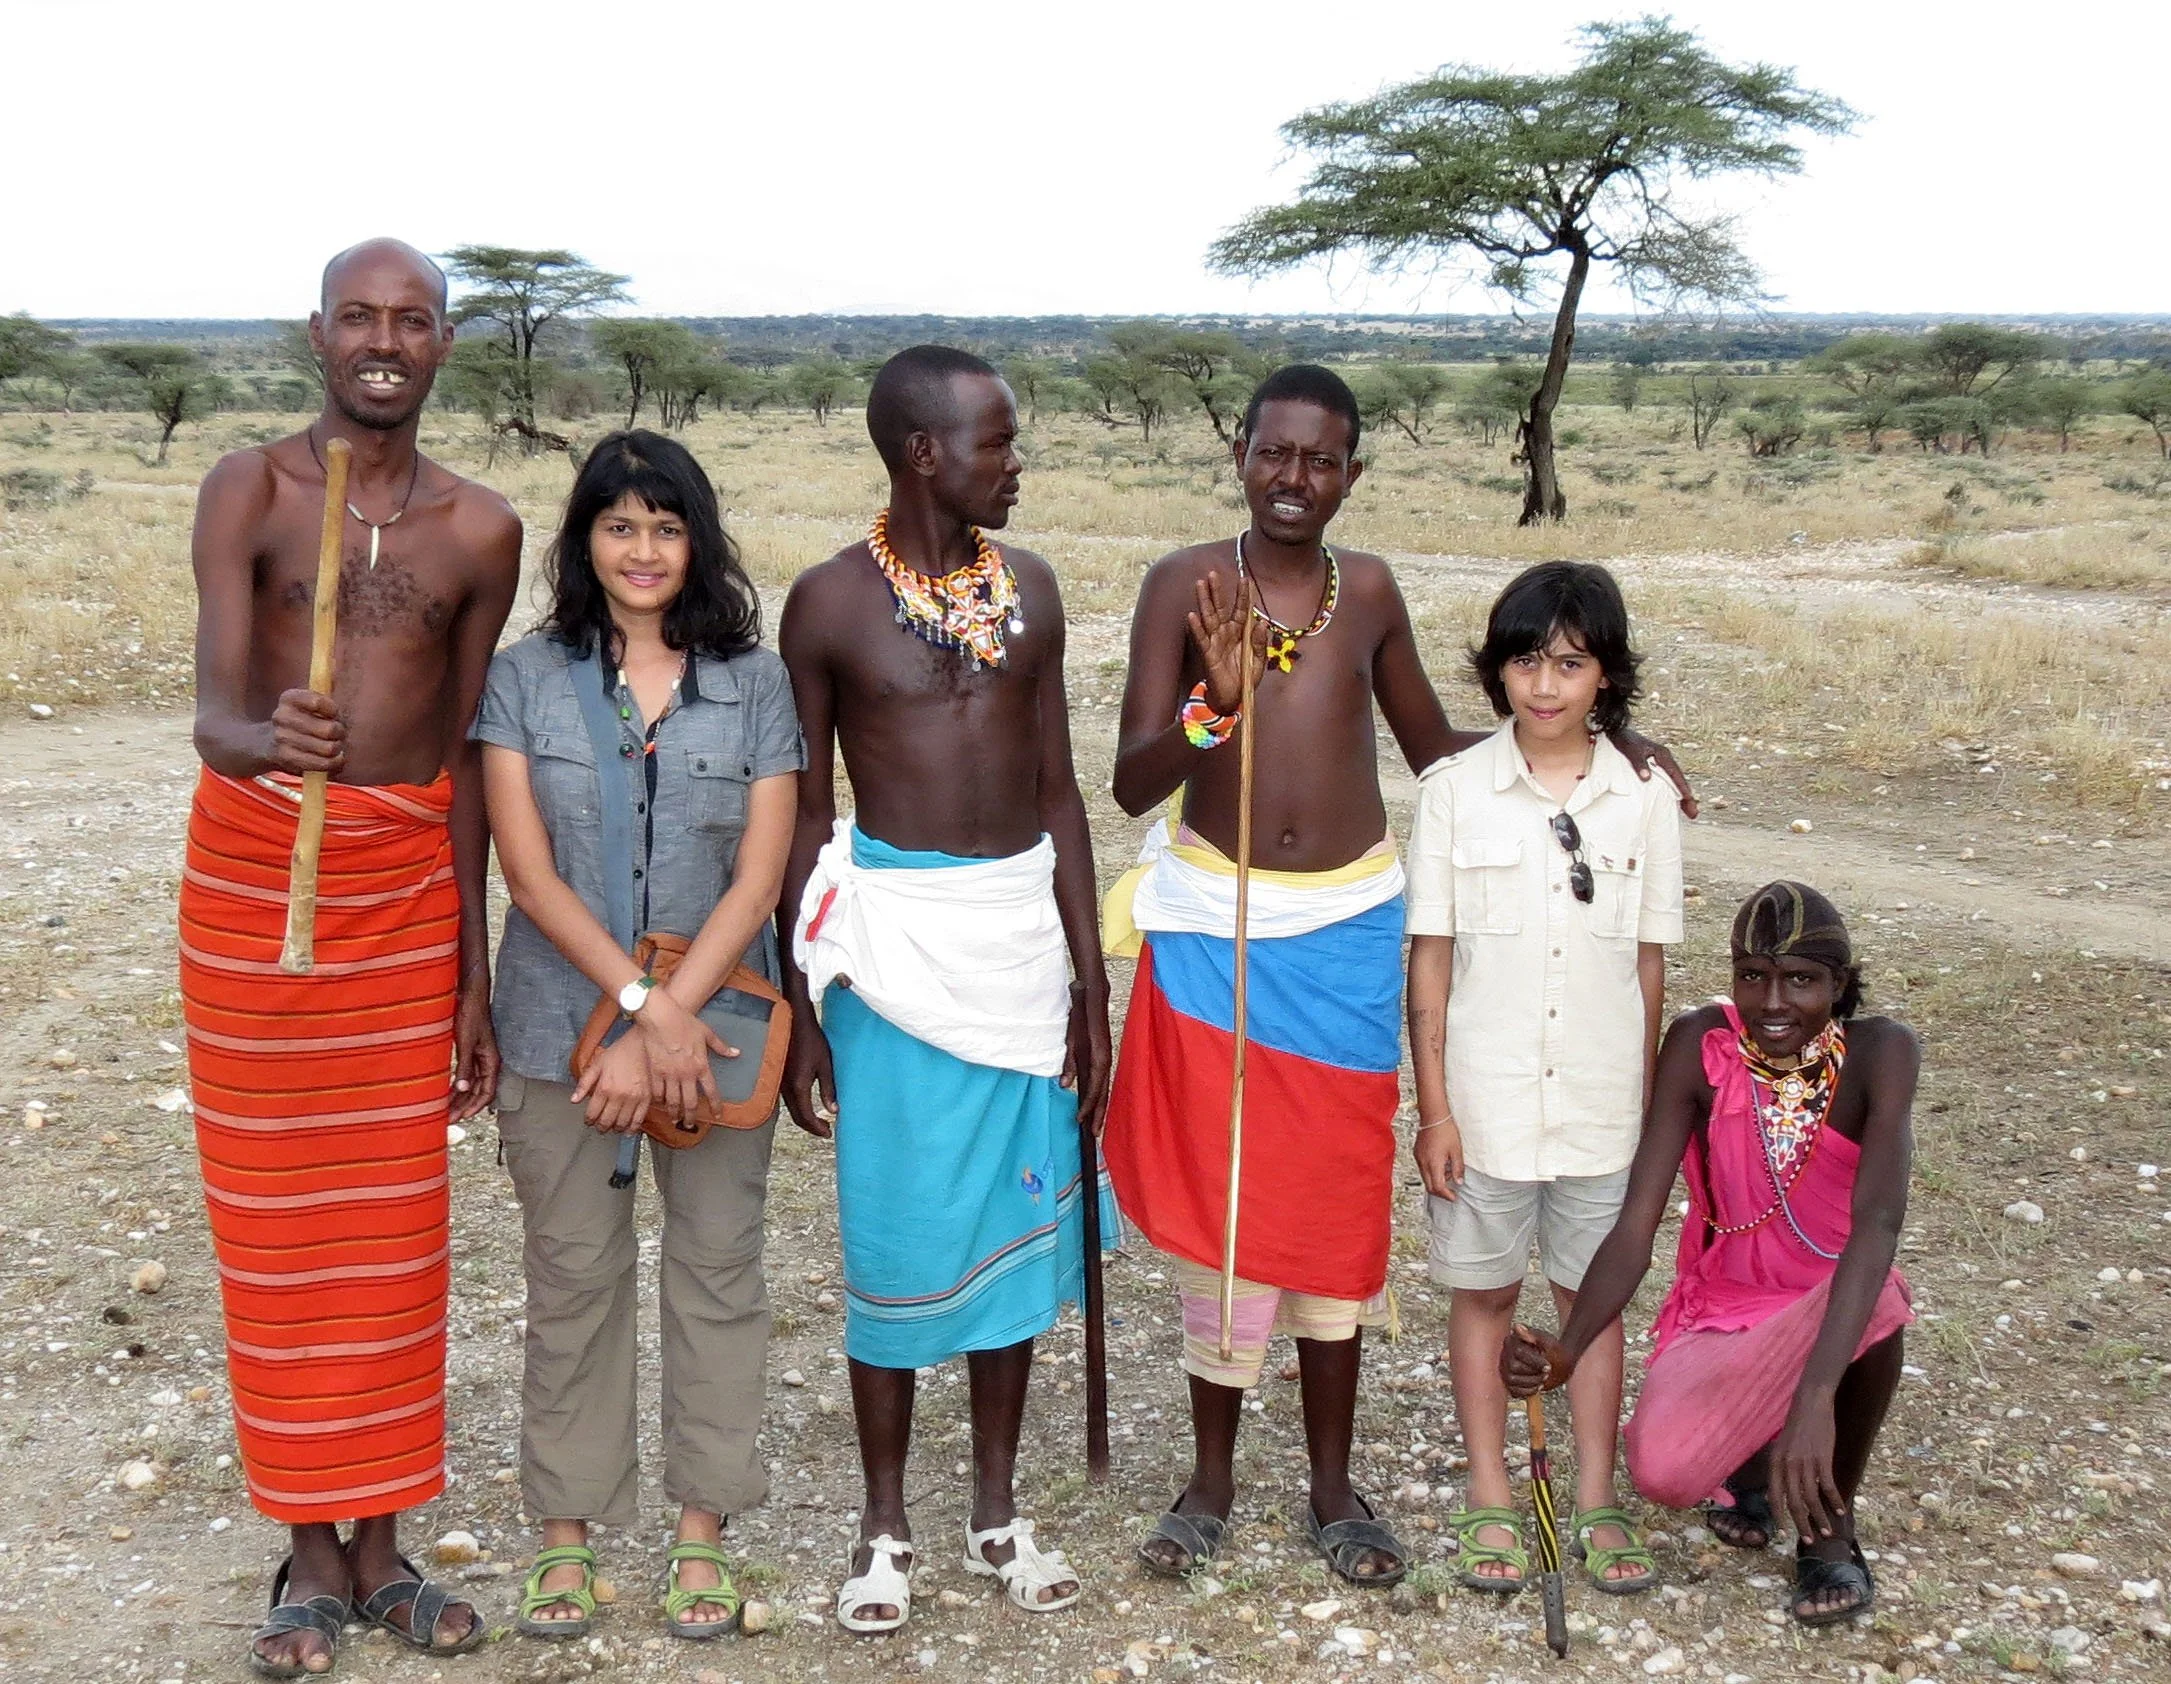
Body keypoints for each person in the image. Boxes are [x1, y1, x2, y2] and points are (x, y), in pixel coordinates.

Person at [1100, 367, 1695, 1590]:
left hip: (1351, 934)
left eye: (1321, 461)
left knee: (1326, 1208)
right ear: (1237, 452)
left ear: (1351, 476)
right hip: (1219, 926)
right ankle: (1209, 1479)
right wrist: (1216, 706)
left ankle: (1330, 1481)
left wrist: (1600, 734)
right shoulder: (1182, 585)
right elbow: (1130, 779)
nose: (1293, 478)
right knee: (1224, 1213)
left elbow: (1440, 750)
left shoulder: (1362, 591)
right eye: (1275, 453)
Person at [183, 238, 520, 1678]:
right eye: (360, 318)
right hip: (259, 882)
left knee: (391, 1241)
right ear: (314, 336)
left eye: (415, 320)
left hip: (397, 899)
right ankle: (307, 1556)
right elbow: (211, 707)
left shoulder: (482, 529)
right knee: (276, 1236)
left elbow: (455, 764)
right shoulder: (250, 490)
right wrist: (270, 738)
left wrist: (469, 977)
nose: (386, 340)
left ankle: (385, 1555)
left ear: (445, 344)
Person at [776, 345, 1115, 1634]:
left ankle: (993, 1505)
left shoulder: (1028, 590)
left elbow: (1058, 793)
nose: (1014, 463)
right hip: (895, 956)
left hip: (1018, 949)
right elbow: (807, 812)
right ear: (925, 454)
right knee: (899, 1234)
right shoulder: (828, 606)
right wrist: (802, 1001)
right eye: (996, 442)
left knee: (1006, 1240)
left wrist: (1091, 981)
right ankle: (881, 1522)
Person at [474, 431, 802, 1640]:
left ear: (696, 540)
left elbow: (758, 876)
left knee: (718, 1276)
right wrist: (631, 1011)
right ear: (585, 542)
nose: (644, 549)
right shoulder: (522, 678)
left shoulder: (754, 683)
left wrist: (668, 1023)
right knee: (573, 1278)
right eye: (619, 526)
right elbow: (528, 869)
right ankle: (566, 1539)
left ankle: (701, 1534)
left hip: (711, 1041)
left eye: (666, 526)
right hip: (563, 1026)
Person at [1502, 882, 1917, 1627]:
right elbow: (1636, 1224)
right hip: (1724, 1309)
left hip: (1832, 1308)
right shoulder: (1701, 1044)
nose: (1772, 1002)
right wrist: (1568, 1347)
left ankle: (1828, 1538)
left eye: (1801, 980)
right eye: (1752, 975)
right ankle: (1751, 1466)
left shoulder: (1880, 1053)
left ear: (1839, 986)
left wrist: (1816, 1399)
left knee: (1879, 1296)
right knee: (1664, 1475)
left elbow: (1878, 1225)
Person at [1405, 561, 1682, 1597]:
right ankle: (1488, 1495)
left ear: (1604, 675)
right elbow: (1429, 957)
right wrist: (1431, 1106)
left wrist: (1646, 1113)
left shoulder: (1645, 800)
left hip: (1602, 1110)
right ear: (1497, 672)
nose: (1545, 684)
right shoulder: (1451, 793)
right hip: (1479, 1105)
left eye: (1568, 662)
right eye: (1525, 659)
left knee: (1588, 1306)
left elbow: (1647, 965)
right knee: (1480, 1295)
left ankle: (1596, 1497)